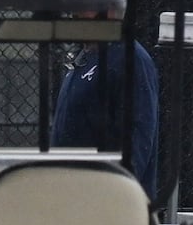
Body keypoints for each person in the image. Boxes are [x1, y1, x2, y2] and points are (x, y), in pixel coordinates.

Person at [51, 33, 162, 199]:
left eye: (85, 7)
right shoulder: (84, 57)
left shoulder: (130, 58)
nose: (75, 13)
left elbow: (137, 138)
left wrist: (114, 194)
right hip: (73, 197)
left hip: (110, 205)